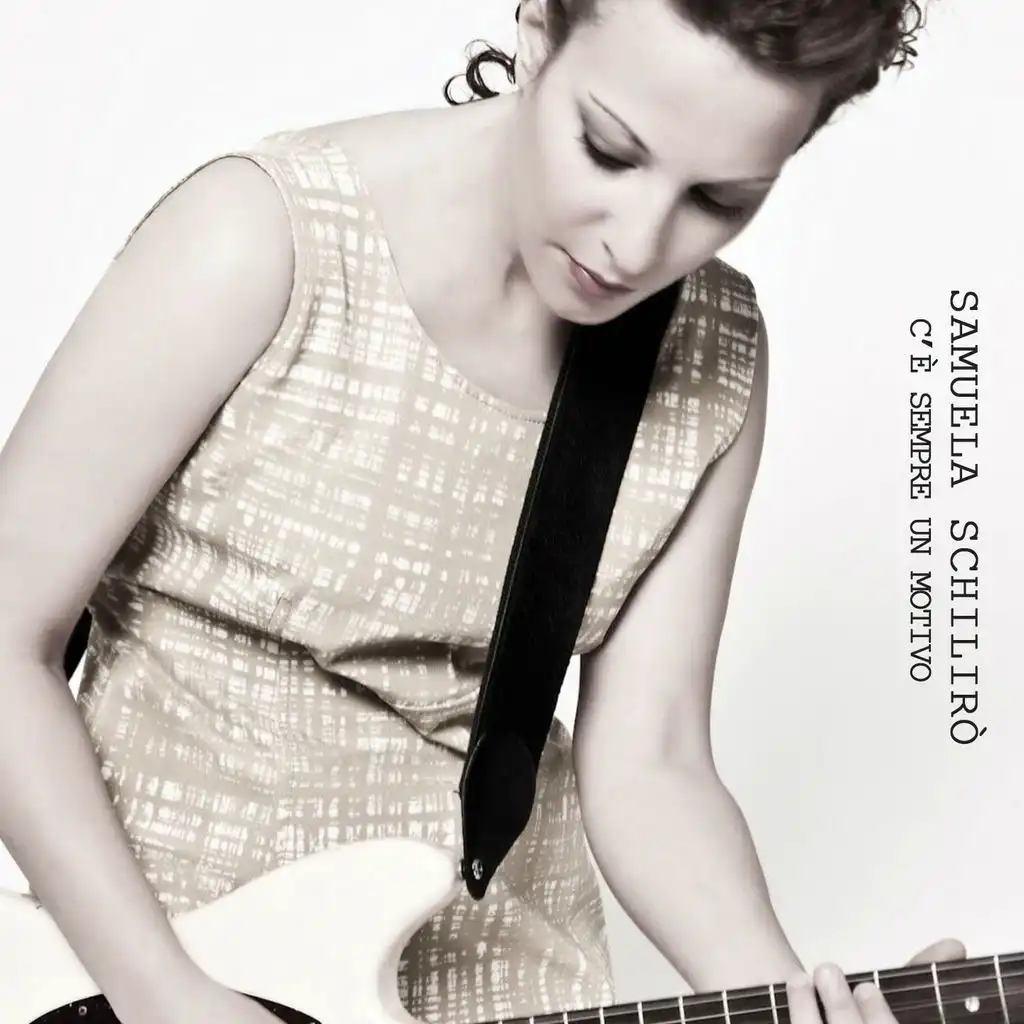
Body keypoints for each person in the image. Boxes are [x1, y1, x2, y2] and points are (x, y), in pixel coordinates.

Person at [0, 0, 965, 1022]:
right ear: (538, 33)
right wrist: (161, 992)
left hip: (506, 985)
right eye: (608, 149)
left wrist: (788, 1000)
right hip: (160, 966)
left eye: (718, 198)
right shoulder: (263, 236)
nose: (635, 244)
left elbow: (651, 761)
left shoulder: (711, 354)